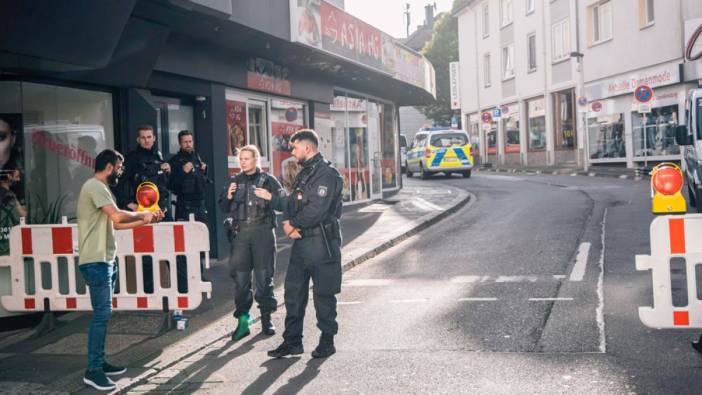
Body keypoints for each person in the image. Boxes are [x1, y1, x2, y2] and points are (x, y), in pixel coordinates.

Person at [77, 149, 162, 391]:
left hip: (105, 259)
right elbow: (117, 215)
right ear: (109, 166)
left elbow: (116, 224)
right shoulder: (94, 186)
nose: (121, 171)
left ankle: (100, 363)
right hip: (95, 261)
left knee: (104, 314)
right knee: (102, 314)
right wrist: (144, 214)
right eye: (120, 166)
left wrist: (146, 221)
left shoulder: (102, 189)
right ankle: (93, 370)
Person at [260, 129, 343, 359]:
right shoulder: (305, 173)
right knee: (293, 294)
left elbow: (317, 210)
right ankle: (292, 342)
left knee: (324, 296)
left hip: (322, 243)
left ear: (307, 147)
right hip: (302, 243)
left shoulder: (327, 174)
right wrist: (284, 214)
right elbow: (293, 202)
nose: (293, 152)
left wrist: (290, 224)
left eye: (295, 148)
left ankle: (327, 341)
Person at [218, 145, 286, 340]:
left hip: (263, 233)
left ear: (256, 159)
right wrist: (229, 196)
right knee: (240, 281)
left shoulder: (269, 180)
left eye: (247, 158)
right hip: (240, 235)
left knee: (264, 278)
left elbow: (283, 204)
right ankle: (243, 323)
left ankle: (266, 319)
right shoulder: (233, 181)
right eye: (241, 158)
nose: (243, 161)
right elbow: (223, 206)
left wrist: (270, 197)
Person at [122, 125, 171, 220]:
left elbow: (165, 183)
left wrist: (168, 171)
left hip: (161, 209)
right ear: (138, 140)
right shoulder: (131, 158)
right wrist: (128, 203)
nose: (147, 140)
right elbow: (117, 184)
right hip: (142, 209)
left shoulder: (158, 156)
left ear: (154, 138)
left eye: (149, 137)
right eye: (143, 137)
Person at [168, 130, 209, 223]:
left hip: (200, 206)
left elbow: (203, 182)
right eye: (185, 142)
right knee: (185, 237)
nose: (188, 144)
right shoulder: (175, 161)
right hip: (185, 207)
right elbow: (171, 186)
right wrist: (183, 172)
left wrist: (205, 171)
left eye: (190, 141)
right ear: (180, 143)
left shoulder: (197, 158)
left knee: (203, 235)